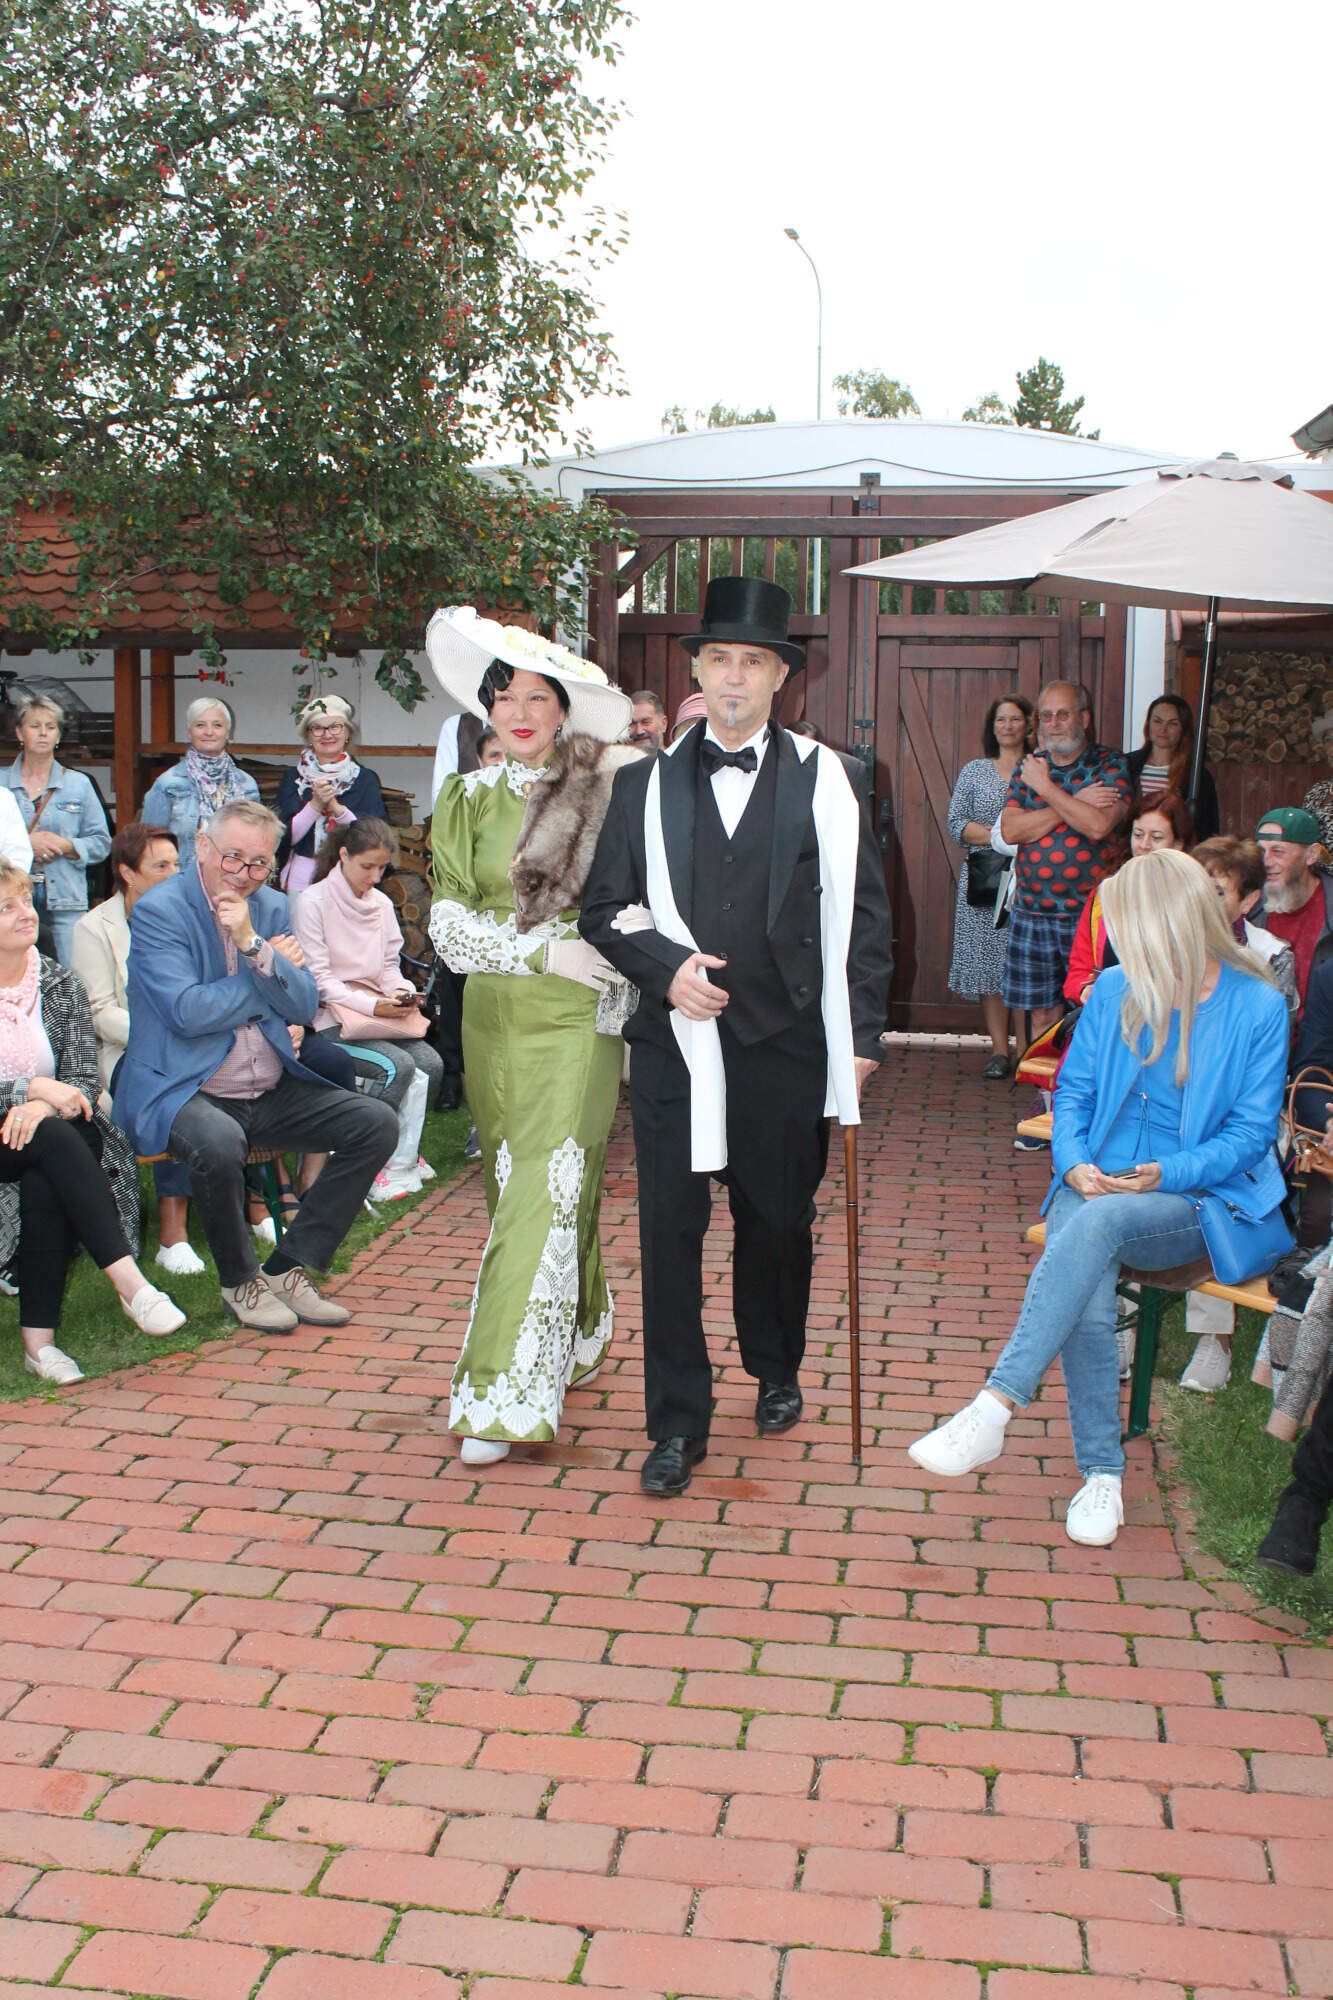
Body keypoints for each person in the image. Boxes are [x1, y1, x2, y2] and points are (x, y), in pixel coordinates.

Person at [580, 575, 895, 1499]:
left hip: (785, 1041)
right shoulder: (639, 785)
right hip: (673, 1045)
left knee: (776, 1224)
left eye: (751, 662)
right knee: (670, 1235)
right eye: (718, 659)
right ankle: (677, 1421)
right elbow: (604, 909)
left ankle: (775, 1361)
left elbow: (865, 917)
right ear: (697, 671)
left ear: (780, 678)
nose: (732, 677)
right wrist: (664, 970)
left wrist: (860, 1038)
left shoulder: (831, 778)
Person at [909, 849, 1290, 1548]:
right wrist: (1075, 1162)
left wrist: (1163, 1172)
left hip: (1196, 1196)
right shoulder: (1115, 989)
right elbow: (1074, 1091)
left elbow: (1249, 1135)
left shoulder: (1256, 1005)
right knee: (1085, 1261)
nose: (1121, 945)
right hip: (1095, 1179)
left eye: (1130, 928)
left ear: (1175, 921)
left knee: (1094, 1228)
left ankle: (995, 1407)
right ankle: (1101, 1476)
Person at [425, 606, 634, 1468]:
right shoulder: (463, 798)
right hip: (492, 1015)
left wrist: (606, 950)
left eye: (537, 696)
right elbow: (445, 923)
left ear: (564, 709)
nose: (519, 711)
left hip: (578, 1017)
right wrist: (540, 947)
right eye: (504, 696)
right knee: (524, 1184)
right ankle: (578, 1327)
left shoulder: (604, 794)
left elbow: (635, 898)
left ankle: (500, 1396)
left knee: (543, 1184)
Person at [113, 799, 397, 1331]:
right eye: (233, 857)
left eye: (260, 862)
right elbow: (186, 1012)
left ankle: (288, 1269)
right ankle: (241, 1282)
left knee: (375, 1123)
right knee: (220, 1141)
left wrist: (251, 943)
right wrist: (266, 970)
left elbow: (302, 1003)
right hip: (186, 1088)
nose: (244, 874)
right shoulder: (159, 910)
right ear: (203, 846)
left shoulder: (270, 906)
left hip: (264, 1085)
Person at [0, 859, 186, 1382]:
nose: (26, 913)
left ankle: (40, 1347)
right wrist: (31, 1089)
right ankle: (131, 1285)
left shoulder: (59, 982)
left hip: (47, 1133)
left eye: (25, 900)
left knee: (52, 1155)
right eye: (7, 907)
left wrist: (40, 1106)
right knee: (59, 1139)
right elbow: (54, 1087)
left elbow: (82, 1078)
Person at [69, 821, 207, 1278]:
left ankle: (255, 1202)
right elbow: (98, 1011)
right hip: (125, 1051)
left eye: (176, 864)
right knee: (171, 1092)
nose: (174, 874)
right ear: (128, 873)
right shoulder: (94, 928)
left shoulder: (188, 917)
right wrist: (161, 1034)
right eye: (160, 866)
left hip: (188, 1041)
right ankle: (173, 1232)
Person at [292, 817, 444, 1202]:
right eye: (367, 867)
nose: (375, 877)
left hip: (374, 1014)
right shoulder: (312, 902)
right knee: (397, 1067)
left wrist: (402, 994)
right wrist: (373, 1004)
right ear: (343, 855)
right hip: (330, 1019)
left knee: (432, 1064)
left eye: (382, 868)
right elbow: (319, 981)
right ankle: (366, 1160)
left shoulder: (381, 903)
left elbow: (389, 966)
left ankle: (401, 1154)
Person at [1000, 682, 1131, 1038]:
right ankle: (1045, 1078)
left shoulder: (1109, 764)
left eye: (1063, 714)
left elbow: (1098, 825)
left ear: (1084, 719)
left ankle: (1082, 1076)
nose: (1053, 723)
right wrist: (1075, 800)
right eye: (1046, 716)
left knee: (1092, 1009)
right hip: (1032, 912)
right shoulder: (1030, 767)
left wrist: (1046, 790)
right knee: (1042, 1016)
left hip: (1090, 916)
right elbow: (1011, 830)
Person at [947, 694, 1032, 1077]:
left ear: (1028, 725)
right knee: (989, 964)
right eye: (1001, 719)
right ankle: (999, 1051)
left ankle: (1028, 1050)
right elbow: (957, 824)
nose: (1008, 726)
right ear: (992, 727)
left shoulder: (1039, 769)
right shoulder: (975, 771)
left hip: (1033, 877)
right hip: (986, 879)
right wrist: (1006, 838)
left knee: (1025, 963)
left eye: (1015, 718)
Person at [2, 694, 111, 965]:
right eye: (34, 725)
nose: (43, 733)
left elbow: (102, 843)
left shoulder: (79, 784)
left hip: (65, 900)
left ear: (59, 735)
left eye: (50, 727)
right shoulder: (1, 784)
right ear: (19, 733)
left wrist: (66, 845)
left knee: (69, 975)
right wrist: (26, 843)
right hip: (9, 898)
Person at [1064, 794, 1196, 1006]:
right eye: (1138, 834)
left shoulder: (1192, 897)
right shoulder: (1105, 894)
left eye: (1156, 837)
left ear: (1178, 844)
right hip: (1109, 1010)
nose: (1144, 845)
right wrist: (1085, 990)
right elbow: (1078, 972)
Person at [275, 696, 386, 896]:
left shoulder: (364, 779)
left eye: (335, 727)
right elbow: (282, 837)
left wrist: (336, 809)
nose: (327, 734)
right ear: (308, 736)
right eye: (317, 728)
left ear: (347, 733)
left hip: (351, 882)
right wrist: (315, 806)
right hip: (300, 884)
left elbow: (372, 837)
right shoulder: (293, 779)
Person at [141, 697, 260, 868]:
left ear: (228, 732)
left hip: (233, 876)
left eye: (217, 725)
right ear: (189, 732)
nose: (209, 732)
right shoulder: (168, 784)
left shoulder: (247, 785)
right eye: (200, 725)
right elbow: (150, 845)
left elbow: (255, 841)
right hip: (183, 878)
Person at [1250, 807, 1333, 1015]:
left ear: (1311, 855)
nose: (1266, 862)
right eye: (1261, 852)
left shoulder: (1329, 908)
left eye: (1278, 851)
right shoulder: (1248, 907)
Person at [1126, 694, 1219, 841]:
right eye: (1158, 721)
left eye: (1173, 723)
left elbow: (1208, 828)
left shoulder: (1197, 776)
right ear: (1148, 724)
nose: (1163, 729)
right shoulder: (1128, 765)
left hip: (1174, 851)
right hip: (1133, 847)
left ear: (1183, 729)